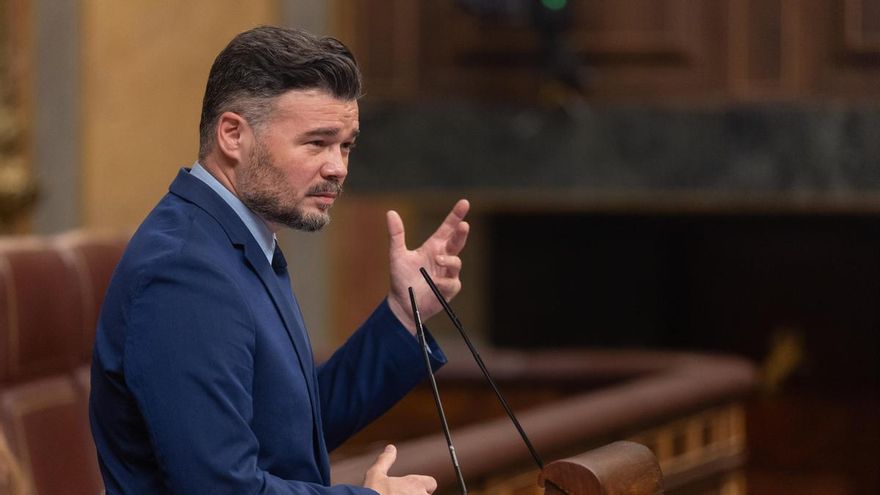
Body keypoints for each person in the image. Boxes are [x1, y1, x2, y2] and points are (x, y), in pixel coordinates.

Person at [89, 26, 470, 495]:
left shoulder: (236, 241)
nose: (338, 167)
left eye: (346, 145)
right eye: (317, 143)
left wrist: (403, 314)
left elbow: (290, 431)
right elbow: (218, 487)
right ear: (233, 135)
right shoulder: (185, 271)